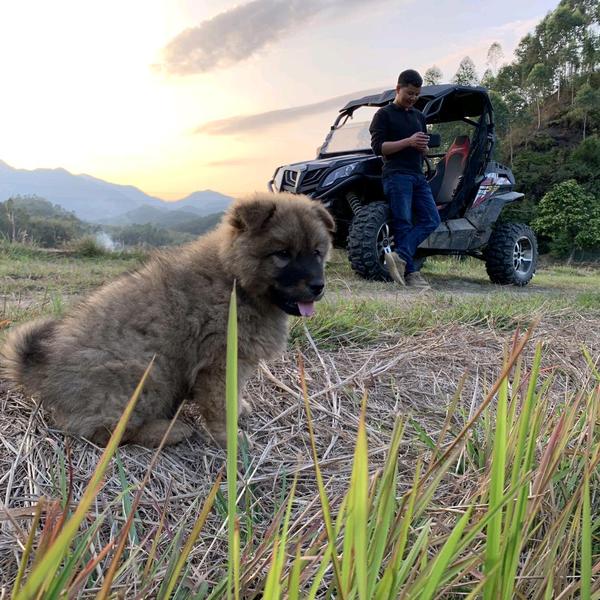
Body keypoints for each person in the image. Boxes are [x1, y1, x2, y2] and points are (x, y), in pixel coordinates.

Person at [369, 69, 441, 288]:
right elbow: (379, 148)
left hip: (418, 175)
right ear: (398, 88)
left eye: (416, 94)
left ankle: (399, 255)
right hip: (397, 175)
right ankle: (411, 274)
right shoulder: (384, 114)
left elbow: (423, 148)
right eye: (409, 93)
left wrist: (423, 147)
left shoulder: (418, 116)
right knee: (403, 224)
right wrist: (408, 141)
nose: (413, 98)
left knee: (432, 219)